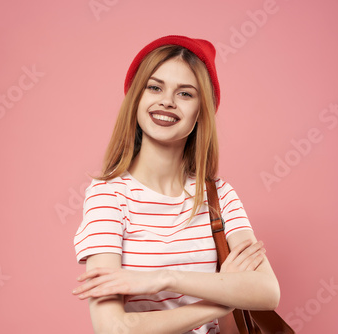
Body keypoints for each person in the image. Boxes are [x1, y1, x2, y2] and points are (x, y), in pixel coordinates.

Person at [72, 35, 280, 334]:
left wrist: (165, 278)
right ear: (137, 99)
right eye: (155, 87)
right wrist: (223, 298)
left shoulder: (219, 194)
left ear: (201, 111)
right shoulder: (108, 195)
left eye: (185, 94)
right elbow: (114, 329)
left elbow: (267, 291)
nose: (167, 101)